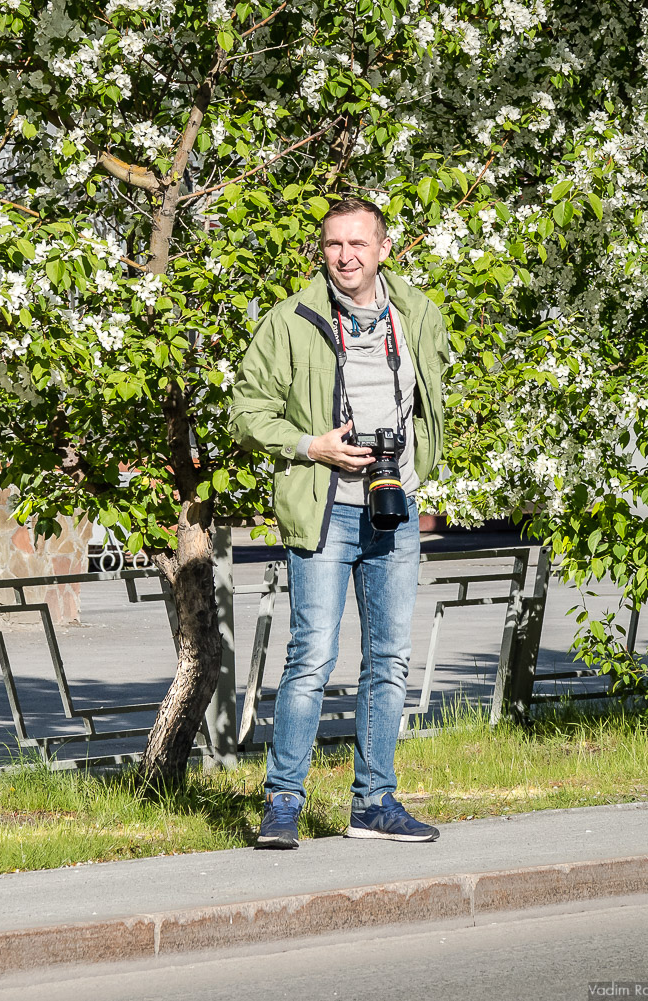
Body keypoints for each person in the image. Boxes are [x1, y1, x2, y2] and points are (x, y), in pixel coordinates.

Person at [230, 196, 450, 849]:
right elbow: (246, 412)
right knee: (311, 658)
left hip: (394, 505)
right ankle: (283, 803)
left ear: (384, 248)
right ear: (321, 251)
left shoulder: (418, 314)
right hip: (325, 508)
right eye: (334, 244)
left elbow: (430, 400)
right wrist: (312, 446)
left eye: (358, 243)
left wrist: (415, 463)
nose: (346, 256)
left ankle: (374, 804)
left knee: (389, 659)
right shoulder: (291, 320)